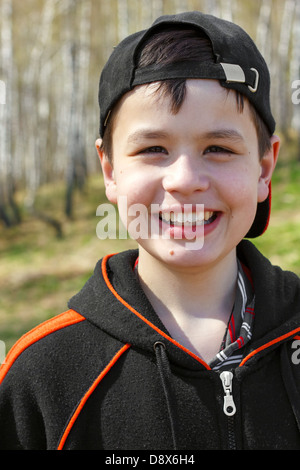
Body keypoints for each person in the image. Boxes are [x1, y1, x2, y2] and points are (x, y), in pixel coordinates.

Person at [0, 10, 300, 451]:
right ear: (109, 170)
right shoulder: (42, 376)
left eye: (218, 148)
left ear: (264, 167)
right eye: (153, 148)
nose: (184, 179)